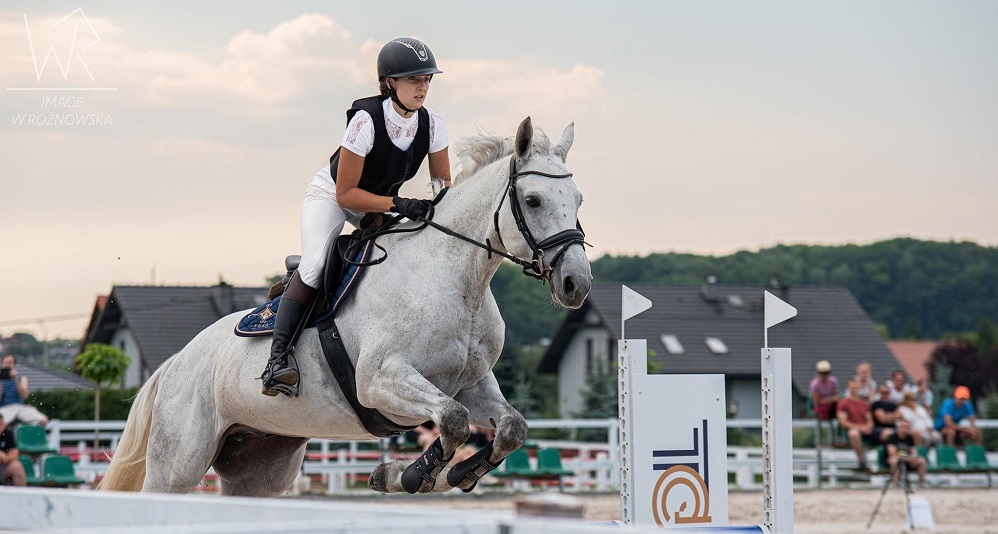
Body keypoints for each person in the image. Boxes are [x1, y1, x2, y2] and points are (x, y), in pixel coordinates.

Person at [260, 37, 452, 397]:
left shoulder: (434, 125)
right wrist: (398, 204)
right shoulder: (365, 120)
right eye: (414, 79)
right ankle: (277, 360)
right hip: (332, 196)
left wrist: (436, 212)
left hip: (377, 203)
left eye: (427, 79)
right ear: (390, 83)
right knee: (316, 264)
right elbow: (346, 194)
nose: (422, 86)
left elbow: (443, 187)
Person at [837, 379, 884, 472]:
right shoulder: (843, 403)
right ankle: (861, 462)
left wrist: (868, 427)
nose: (855, 388)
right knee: (853, 434)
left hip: (866, 429)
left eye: (856, 386)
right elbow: (843, 422)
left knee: (888, 433)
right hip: (854, 430)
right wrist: (861, 428)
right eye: (852, 386)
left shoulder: (864, 403)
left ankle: (892, 460)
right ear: (848, 388)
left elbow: (870, 420)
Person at [0, 354, 49, 426]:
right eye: (6, 363)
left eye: (10, 363)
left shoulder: (22, 378)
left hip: (20, 408)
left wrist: (16, 379)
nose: (8, 365)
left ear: (14, 364)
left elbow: (24, 396)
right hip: (4, 408)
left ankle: (32, 436)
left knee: (43, 420)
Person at [882, 420, 927, 487]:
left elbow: (913, 451)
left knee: (921, 460)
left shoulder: (909, 438)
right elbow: (893, 454)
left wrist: (911, 457)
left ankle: (921, 483)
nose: (905, 429)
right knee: (895, 461)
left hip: (907, 459)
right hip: (892, 460)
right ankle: (895, 483)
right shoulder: (892, 438)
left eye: (907, 427)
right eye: (903, 427)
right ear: (899, 427)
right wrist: (907, 456)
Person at [0, 413, 27, 486]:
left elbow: (15, 454)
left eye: (1, 424)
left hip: (3, 467)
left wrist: (6, 457)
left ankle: (21, 495)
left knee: (17, 466)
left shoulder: (7, 433)